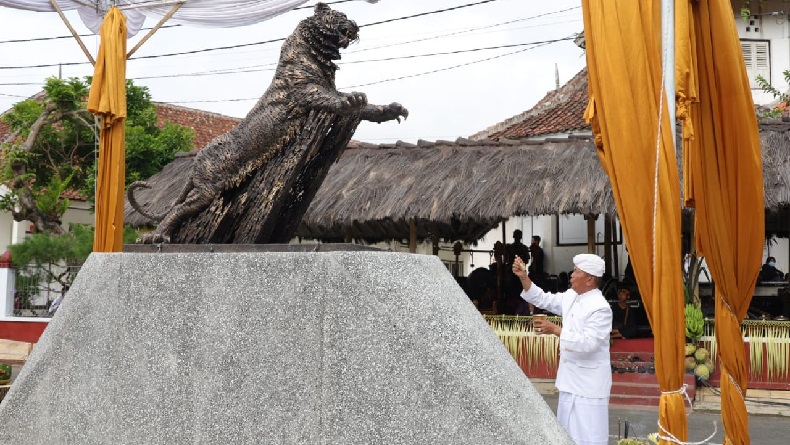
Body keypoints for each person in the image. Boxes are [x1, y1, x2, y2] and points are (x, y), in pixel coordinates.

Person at [512, 253, 613, 445]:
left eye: (577, 271)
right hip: (569, 382)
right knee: (565, 435)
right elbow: (542, 299)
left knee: (589, 438)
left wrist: (556, 330)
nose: (572, 275)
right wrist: (524, 277)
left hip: (589, 387)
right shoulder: (571, 296)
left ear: (590, 279)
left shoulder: (601, 308)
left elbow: (588, 343)